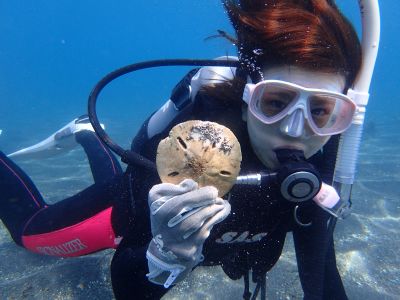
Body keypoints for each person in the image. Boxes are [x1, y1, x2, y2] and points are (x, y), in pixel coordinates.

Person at [0, 1, 364, 299]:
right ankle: (87, 135)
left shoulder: (320, 165)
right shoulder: (195, 149)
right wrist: (164, 255)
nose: (295, 130)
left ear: (342, 114)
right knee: (28, 233)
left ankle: (86, 134)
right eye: (275, 103)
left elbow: (322, 279)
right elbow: (129, 290)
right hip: (129, 209)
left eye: (320, 110)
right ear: (245, 99)